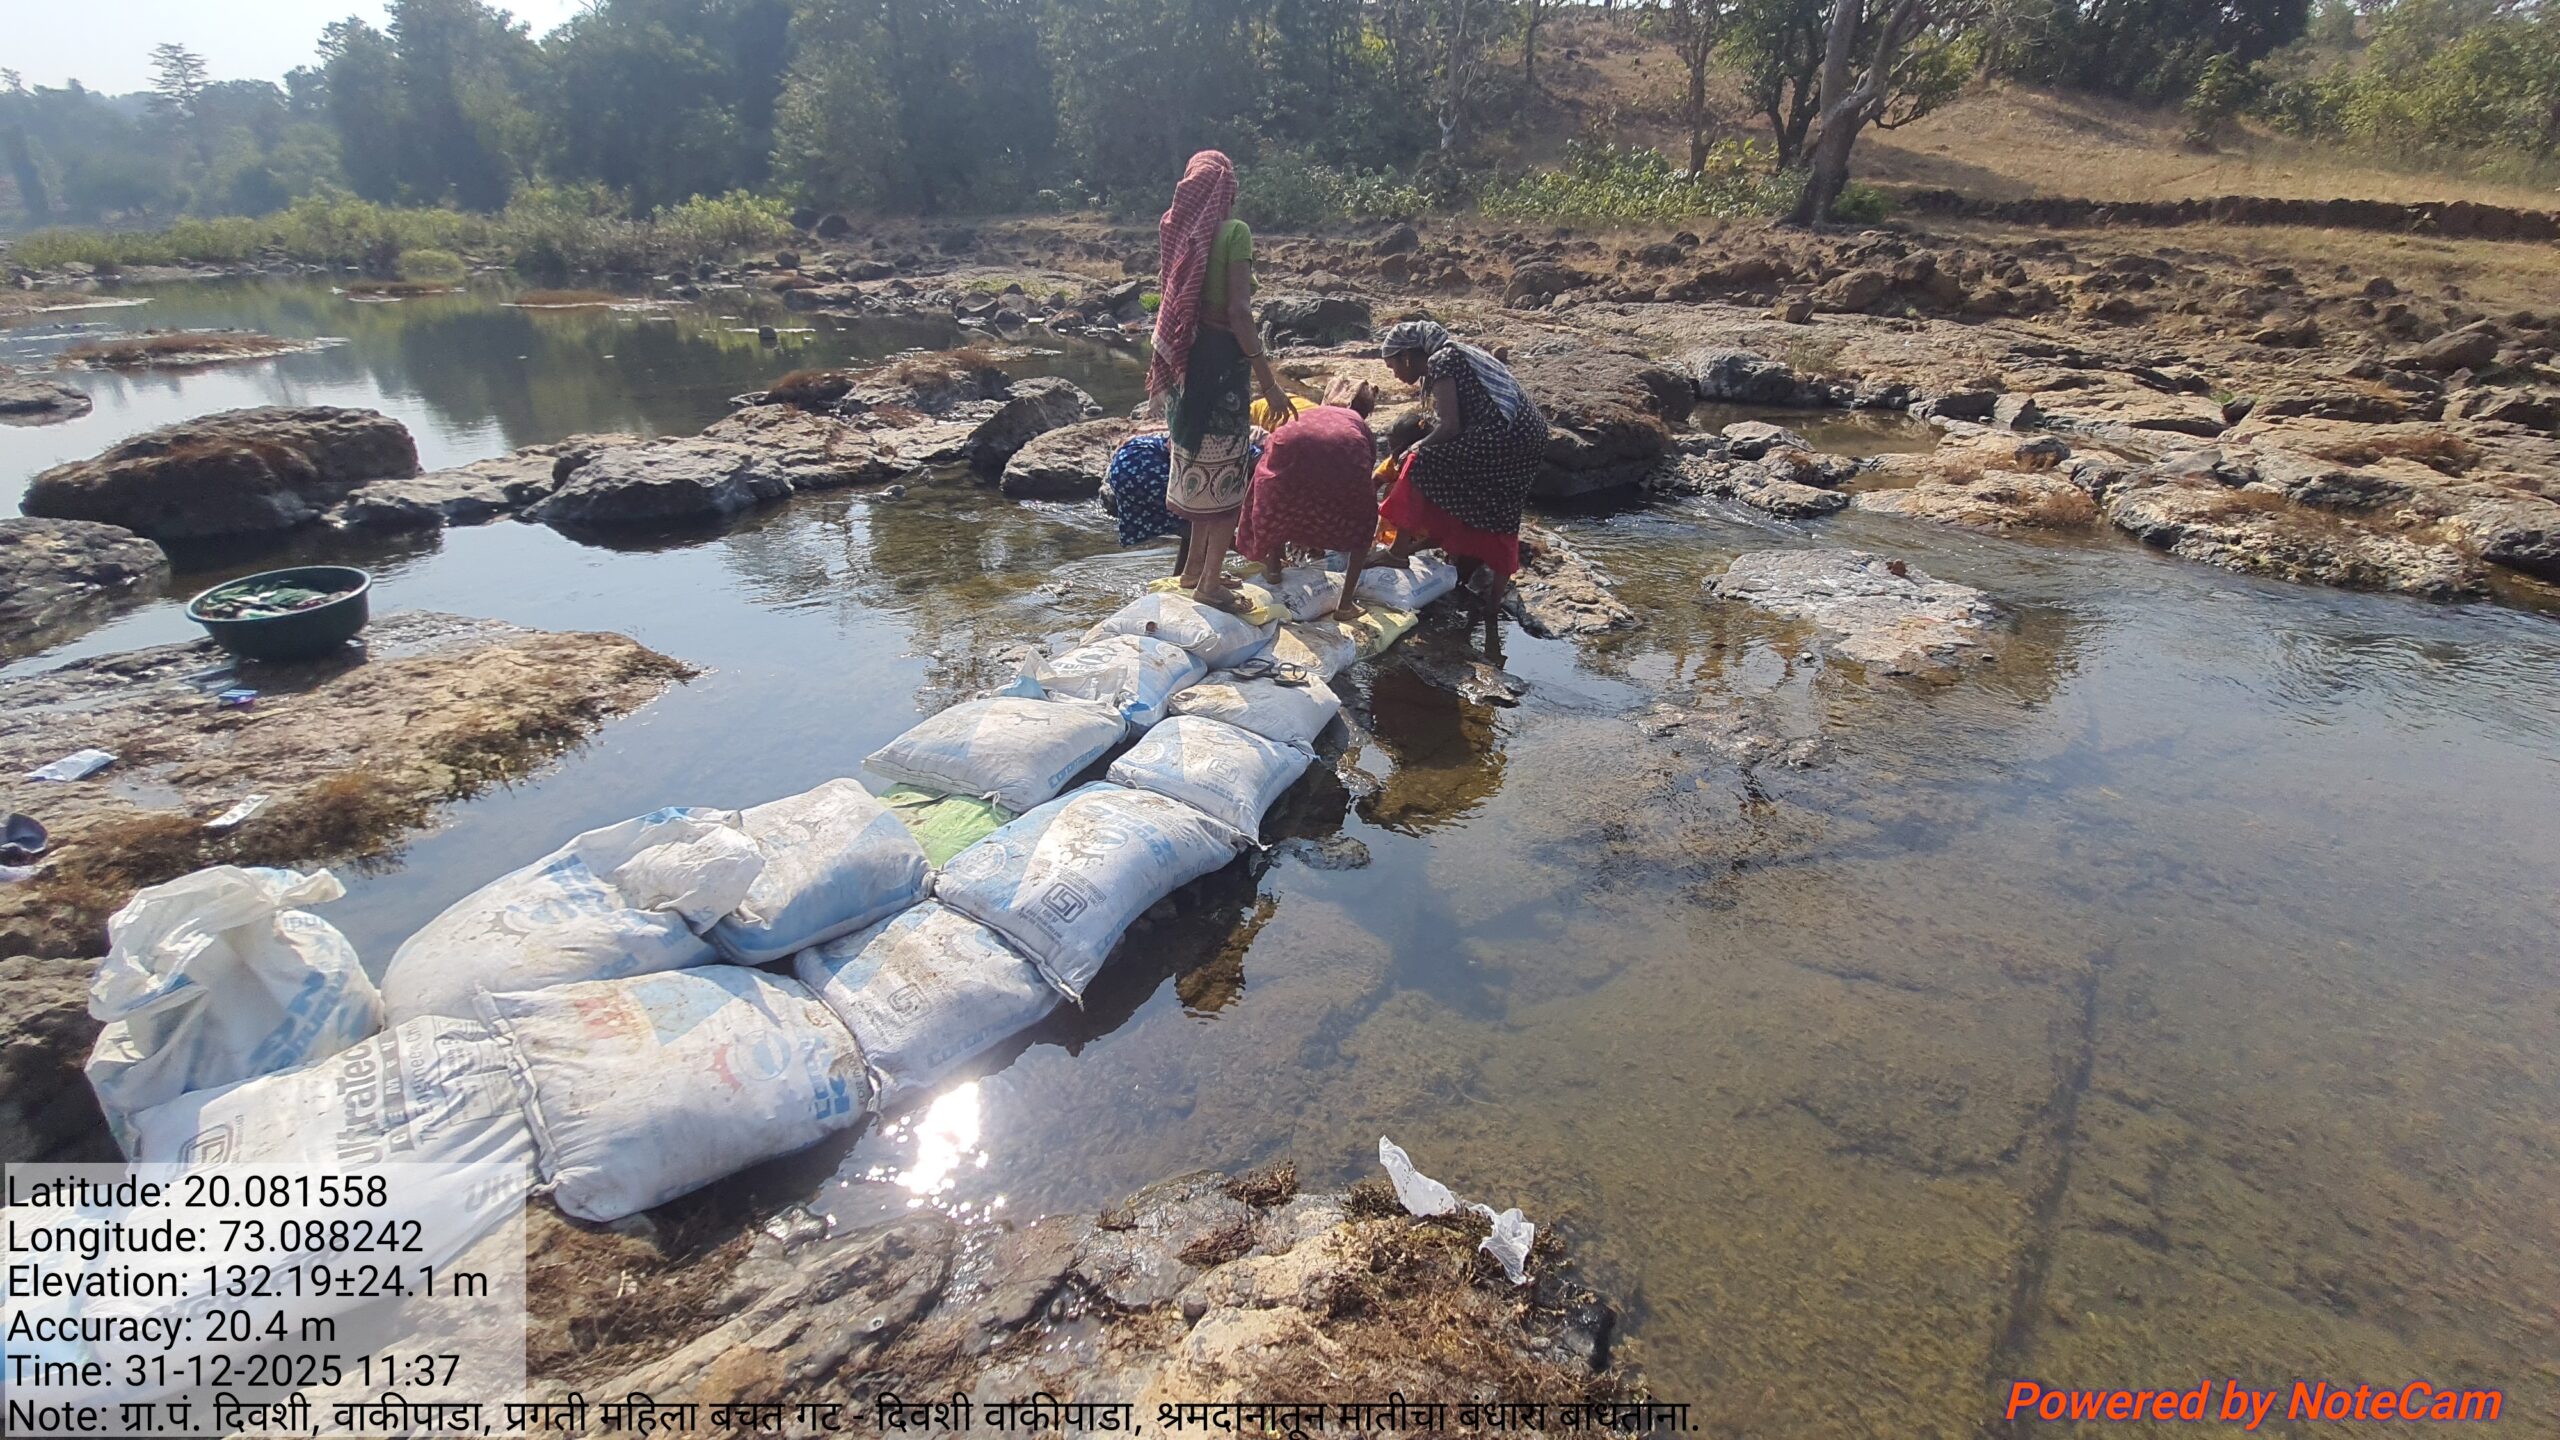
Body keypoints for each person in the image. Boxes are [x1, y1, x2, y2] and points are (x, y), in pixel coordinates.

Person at [1148, 150, 1297, 610]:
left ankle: (1194, 569)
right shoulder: (1235, 233)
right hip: (1220, 370)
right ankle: (1209, 584)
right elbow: (1239, 312)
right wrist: (1269, 383)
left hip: (1188, 367)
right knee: (1227, 480)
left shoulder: (1179, 232)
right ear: (1226, 190)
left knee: (1197, 468)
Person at [1372, 320, 1546, 619]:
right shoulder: (1455, 354)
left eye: (1393, 366)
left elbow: (1450, 427)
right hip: (1525, 438)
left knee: (1419, 462)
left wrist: (1416, 447)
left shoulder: (1443, 359)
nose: (1396, 375)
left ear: (1408, 356)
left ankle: (1398, 553)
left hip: (1504, 438)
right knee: (1502, 506)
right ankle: (1491, 602)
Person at [1236, 377, 1382, 620]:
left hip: (1286, 443)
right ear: (1366, 410)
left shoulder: (1311, 412)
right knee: (1363, 524)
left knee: (1280, 501)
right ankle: (1345, 606)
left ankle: (1273, 569)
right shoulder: (1358, 424)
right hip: (1346, 449)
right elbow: (1364, 472)